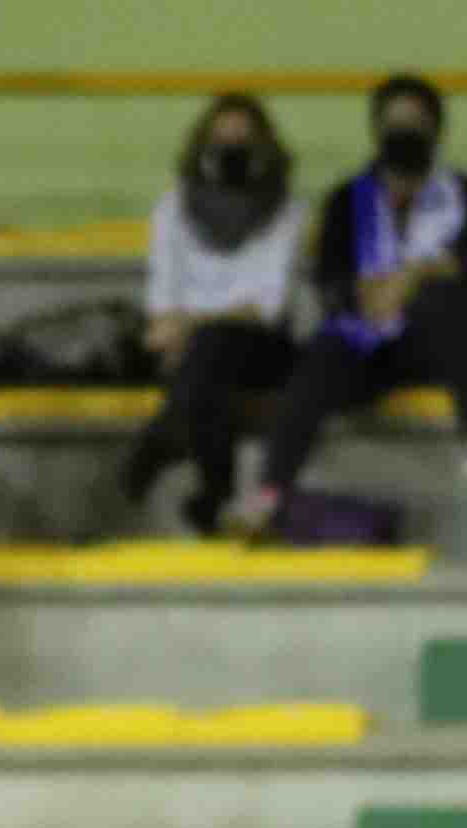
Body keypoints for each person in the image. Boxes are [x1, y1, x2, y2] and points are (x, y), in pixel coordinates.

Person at [250, 75, 467, 526]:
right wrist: (366, 296)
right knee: (322, 352)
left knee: (446, 303)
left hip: (436, 345)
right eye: (395, 122)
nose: (405, 132)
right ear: (377, 129)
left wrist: (415, 275)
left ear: (436, 130)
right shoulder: (347, 201)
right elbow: (329, 281)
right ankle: (270, 492)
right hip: (367, 347)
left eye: (416, 122)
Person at [128, 97, 310, 536]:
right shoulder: (172, 209)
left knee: (211, 350)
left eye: (243, 140)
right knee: (206, 372)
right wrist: (174, 327)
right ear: (202, 146)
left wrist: (189, 326)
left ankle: (166, 436)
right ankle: (214, 498)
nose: (232, 148)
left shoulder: (288, 211)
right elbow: (161, 296)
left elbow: (267, 306)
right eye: (221, 139)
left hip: (261, 347)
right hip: (190, 350)